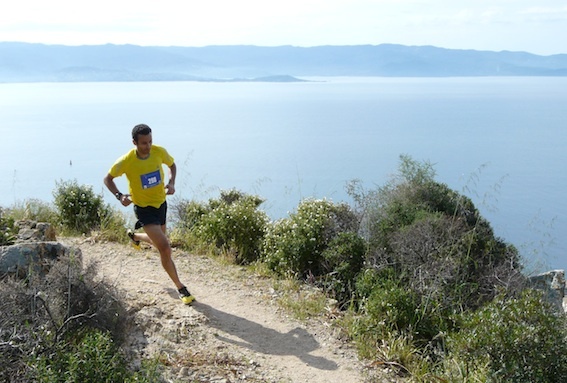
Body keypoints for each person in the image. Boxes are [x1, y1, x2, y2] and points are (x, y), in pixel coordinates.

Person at [103, 123, 195, 305]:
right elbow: (108, 179)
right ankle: (181, 288)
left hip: (161, 204)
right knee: (165, 247)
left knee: (159, 242)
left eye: (150, 141)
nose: (148, 146)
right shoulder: (126, 161)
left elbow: (172, 165)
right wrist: (120, 196)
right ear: (134, 143)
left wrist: (171, 183)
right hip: (143, 209)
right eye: (144, 143)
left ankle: (135, 236)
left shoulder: (159, 152)